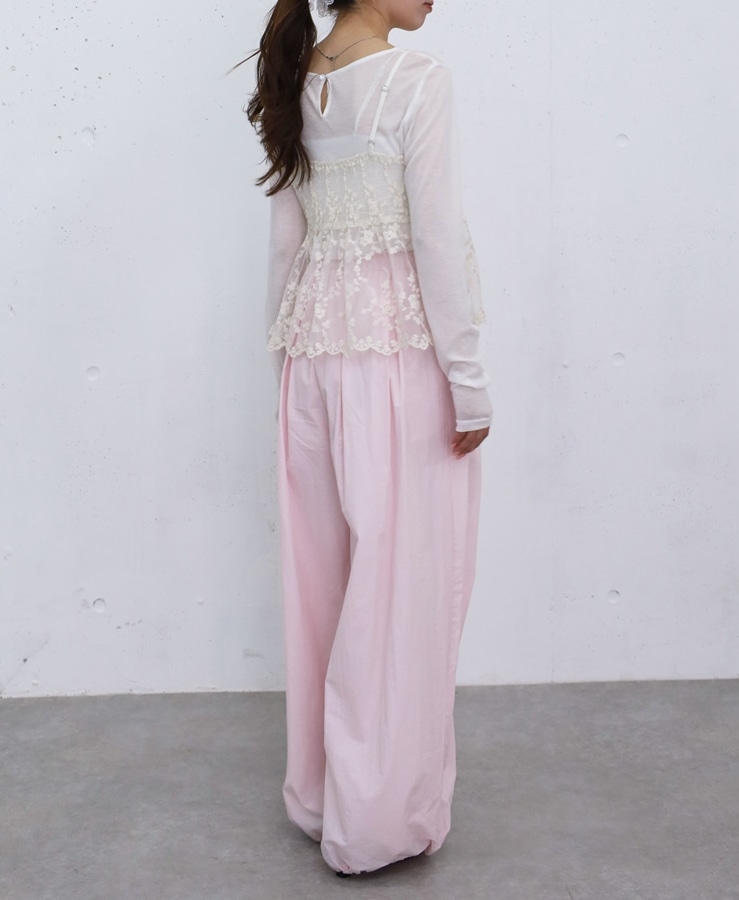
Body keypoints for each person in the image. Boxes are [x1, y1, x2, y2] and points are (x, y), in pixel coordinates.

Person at [244, 0, 492, 877]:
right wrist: (469, 383)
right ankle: (378, 819)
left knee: (322, 584)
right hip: (396, 360)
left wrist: (284, 361)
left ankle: (320, 797)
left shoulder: (295, 78)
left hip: (312, 356)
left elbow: (287, 238)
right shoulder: (416, 79)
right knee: (403, 590)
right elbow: (435, 238)